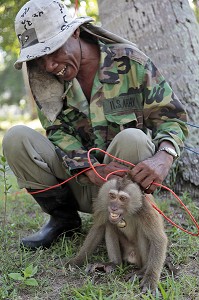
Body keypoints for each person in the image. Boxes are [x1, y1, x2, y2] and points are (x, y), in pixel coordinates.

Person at [2, 0, 188, 250]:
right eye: (39, 57)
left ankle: (125, 227)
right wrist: (88, 168)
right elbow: (57, 132)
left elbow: (171, 116)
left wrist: (164, 156)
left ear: (75, 32)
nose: (48, 65)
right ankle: (64, 222)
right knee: (16, 138)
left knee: (132, 137)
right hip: (80, 182)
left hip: (123, 187)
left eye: (53, 50)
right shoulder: (43, 77)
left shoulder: (130, 63)